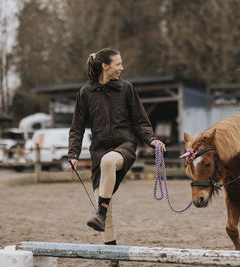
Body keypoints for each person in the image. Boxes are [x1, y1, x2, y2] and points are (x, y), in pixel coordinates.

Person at [68, 48, 166, 249]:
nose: (122, 68)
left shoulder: (126, 88)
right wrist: (73, 154)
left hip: (125, 146)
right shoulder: (85, 93)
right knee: (106, 209)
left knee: (109, 161)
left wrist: (152, 140)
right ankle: (112, 259)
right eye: (118, 64)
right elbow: (76, 127)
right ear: (105, 66)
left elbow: (140, 121)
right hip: (98, 151)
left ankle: (100, 213)